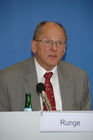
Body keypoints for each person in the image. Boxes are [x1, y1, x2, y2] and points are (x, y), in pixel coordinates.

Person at [0, 21, 91, 111]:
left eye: (59, 43)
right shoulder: (8, 79)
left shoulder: (79, 78)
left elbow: (84, 123)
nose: (54, 48)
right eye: (48, 42)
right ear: (34, 46)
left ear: (64, 49)